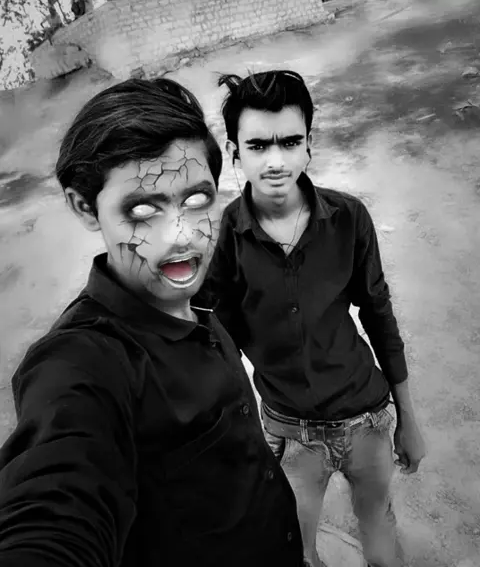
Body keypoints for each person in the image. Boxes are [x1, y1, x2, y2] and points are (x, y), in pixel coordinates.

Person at [0, 78, 304, 567]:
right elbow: (53, 504)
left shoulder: (199, 296)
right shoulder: (84, 363)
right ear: (84, 207)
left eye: (197, 201)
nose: (181, 237)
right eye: (143, 210)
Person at [199, 70, 426, 567]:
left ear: (309, 146)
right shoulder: (223, 241)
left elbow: (379, 314)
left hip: (367, 419)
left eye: (289, 142)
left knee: (381, 537)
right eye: (258, 145)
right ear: (235, 152)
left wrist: (408, 419)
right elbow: (214, 345)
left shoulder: (349, 218)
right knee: (294, 552)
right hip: (289, 432)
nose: (275, 161)